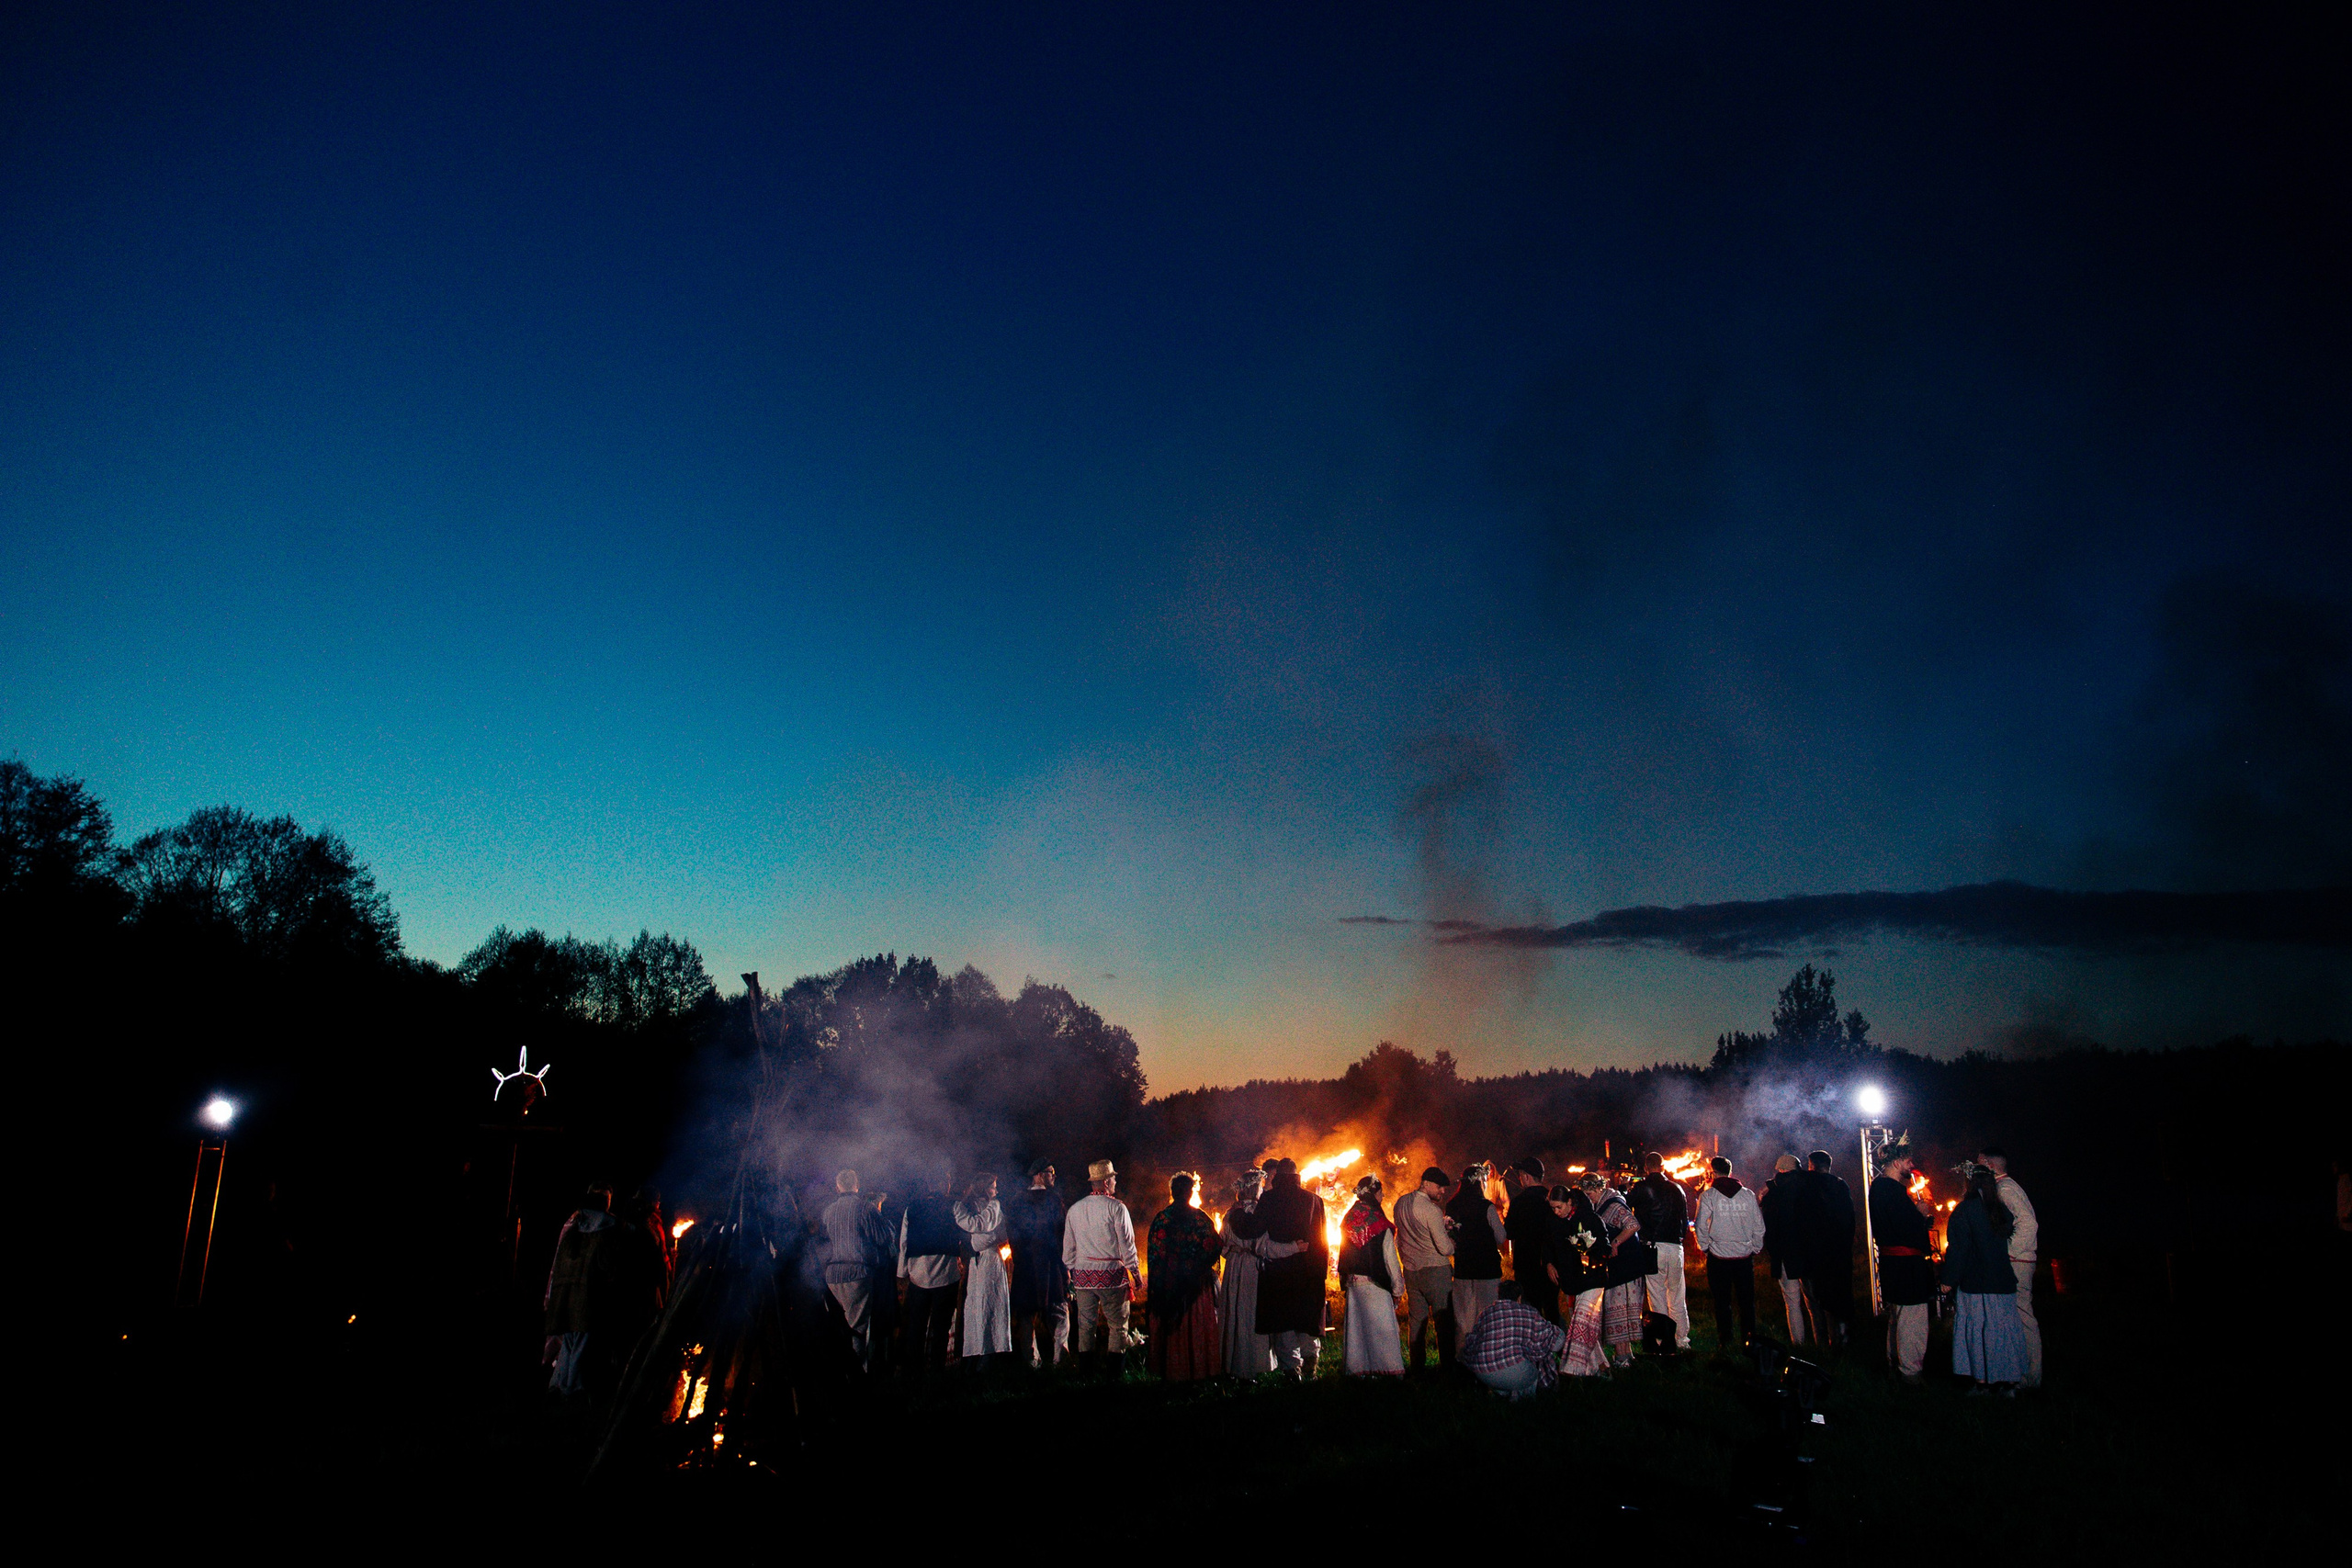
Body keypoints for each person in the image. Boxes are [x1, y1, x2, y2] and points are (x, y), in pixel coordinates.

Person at [1942, 1164, 2027, 1395]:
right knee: (2004, 1331)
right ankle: (2009, 1383)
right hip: (2002, 1283)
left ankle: (1983, 1383)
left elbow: (1958, 1249)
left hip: (1977, 1283)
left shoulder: (1965, 1211)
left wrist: (1948, 1278)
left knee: (1980, 1332)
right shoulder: (2000, 1210)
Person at [1144, 1174, 1226, 1382]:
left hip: (1169, 1286)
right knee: (1195, 1328)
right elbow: (1214, 1246)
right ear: (1190, 1193)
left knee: (1173, 1329)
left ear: (1172, 1193)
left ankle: (1173, 1372)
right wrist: (1197, 1266)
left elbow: (1155, 1253)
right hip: (1196, 1287)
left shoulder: (1162, 1219)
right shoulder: (1200, 1218)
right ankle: (1199, 1371)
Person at [1868, 1137, 1937, 1385]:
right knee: (1912, 1321)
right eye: (1908, 1160)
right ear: (1897, 1162)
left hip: (1894, 1267)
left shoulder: (1881, 1187)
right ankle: (1910, 1373)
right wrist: (1920, 1215)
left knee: (1899, 1318)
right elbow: (1905, 1230)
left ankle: (1895, 1366)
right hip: (1906, 1268)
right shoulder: (1890, 1190)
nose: (1912, 1165)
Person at [1254, 1157, 1329, 1377]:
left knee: (1284, 1320)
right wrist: (1320, 1272)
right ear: (1297, 1176)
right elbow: (1322, 1240)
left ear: (1278, 1177)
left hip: (1280, 1271)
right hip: (1308, 1271)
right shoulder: (1314, 1200)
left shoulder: (1268, 1199)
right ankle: (1310, 1361)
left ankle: (1291, 1369)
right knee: (1306, 1318)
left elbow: (1257, 1229)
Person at [1218, 1168, 1297, 1378]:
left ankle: (1234, 1364)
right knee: (1250, 1314)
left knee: (1236, 1313)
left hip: (1234, 1266)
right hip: (1252, 1268)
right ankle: (1251, 1365)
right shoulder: (1257, 1212)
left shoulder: (1229, 1213)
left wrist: (1235, 1252)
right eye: (1261, 1186)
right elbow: (1264, 1245)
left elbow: (1223, 1245)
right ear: (1255, 1188)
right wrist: (1293, 1248)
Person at [1063, 1160, 1139, 1378]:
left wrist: (1074, 1270)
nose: (1115, 1181)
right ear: (1106, 1182)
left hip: (1084, 1277)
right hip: (1112, 1277)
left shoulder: (1075, 1209)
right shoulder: (1117, 1208)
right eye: (1113, 1177)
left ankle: (1086, 1374)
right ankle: (1115, 1375)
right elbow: (1127, 1245)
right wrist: (1135, 1273)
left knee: (1086, 1325)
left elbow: (1068, 1249)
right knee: (1118, 1325)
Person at [545, 1183, 617, 1395]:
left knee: (570, 1339)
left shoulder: (574, 1223)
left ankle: (558, 1384)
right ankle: (572, 1387)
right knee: (581, 1341)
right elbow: (605, 1264)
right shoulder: (606, 1227)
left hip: (567, 1292)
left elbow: (560, 1260)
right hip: (587, 1293)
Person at [1977, 1145, 2041, 1389]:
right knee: (2016, 1317)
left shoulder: (2006, 1189)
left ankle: (2029, 1377)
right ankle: (2019, 1372)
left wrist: (2009, 1252)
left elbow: (2029, 1224)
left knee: (2022, 1317)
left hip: (2018, 1261)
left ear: (1990, 1165)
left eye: (1979, 1163)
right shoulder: (2004, 1188)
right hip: (2018, 1259)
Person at [819, 1169, 888, 1372]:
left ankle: (838, 1374)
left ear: (837, 1187)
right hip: (857, 1276)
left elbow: (824, 1244)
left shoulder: (828, 1212)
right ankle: (857, 1377)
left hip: (832, 1278)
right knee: (857, 1330)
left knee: (838, 1329)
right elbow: (883, 1238)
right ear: (857, 1186)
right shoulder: (866, 1209)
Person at [1336, 1175, 1407, 1375]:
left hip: (1353, 1283)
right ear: (1373, 1194)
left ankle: (1359, 1369)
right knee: (1383, 1330)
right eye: (1380, 1192)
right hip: (1375, 1283)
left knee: (1357, 1331)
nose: (1383, 1196)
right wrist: (1397, 1287)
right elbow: (1389, 1257)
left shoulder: (1348, 1218)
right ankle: (1388, 1370)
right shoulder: (1378, 1221)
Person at [1695, 1156, 1766, 1351]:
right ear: (1730, 1172)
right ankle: (1749, 1340)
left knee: (1722, 1301)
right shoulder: (1748, 1195)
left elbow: (1700, 1224)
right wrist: (1755, 1247)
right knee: (1746, 1302)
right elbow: (1759, 1225)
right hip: (1744, 1257)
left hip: (1718, 1257)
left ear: (1713, 1172)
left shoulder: (1709, 1196)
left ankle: (1725, 1339)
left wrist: (1705, 1247)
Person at [899, 1171, 965, 1379]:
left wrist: (902, 1273)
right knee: (941, 1327)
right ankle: (937, 1372)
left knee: (916, 1326)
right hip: (946, 1275)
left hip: (919, 1275)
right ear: (943, 1184)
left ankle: (914, 1372)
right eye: (947, 1181)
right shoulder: (954, 1206)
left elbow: (903, 1243)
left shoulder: (912, 1208)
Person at [1006, 1159, 1069, 1371]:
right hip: (1050, 1264)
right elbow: (1061, 1235)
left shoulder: (1016, 1202)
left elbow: (1012, 1235)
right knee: (1059, 1313)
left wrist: (1019, 1258)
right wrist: (1064, 1266)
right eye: (1051, 1172)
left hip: (1026, 1265)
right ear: (1040, 1175)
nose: (1054, 1175)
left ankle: (1032, 1360)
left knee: (1027, 1315)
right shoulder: (1053, 1200)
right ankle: (1061, 1359)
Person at [1392, 1166, 1457, 1371]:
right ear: (1426, 1183)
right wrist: (1454, 1240)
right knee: (1443, 1322)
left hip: (1411, 1272)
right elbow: (1445, 1248)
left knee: (1417, 1322)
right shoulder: (1431, 1210)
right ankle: (1447, 1367)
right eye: (1439, 1187)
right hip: (1435, 1271)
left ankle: (1417, 1368)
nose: (1442, 1191)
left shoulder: (1400, 1203)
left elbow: (1401, 1238)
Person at [1630, 1151, 1693, 1351]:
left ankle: (1661, 1339)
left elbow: (1626, 1208)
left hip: (1651, 1247)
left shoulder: (1640, 1188)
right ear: (1663, 1166)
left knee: (1656, 1295)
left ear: (1646, 1168)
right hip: (1674, 1246)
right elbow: (1684, 1220)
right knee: (1677, 1294)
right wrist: (1680, 1239)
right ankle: (1682, 1339)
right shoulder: (1677, 1188)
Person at [1459, 1281, 1566, 1399]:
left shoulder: (1485, 1313)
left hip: (1482, 1372)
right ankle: (1524, 1397)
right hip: (1514, 1370)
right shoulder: (1528, 1313)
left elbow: (1471, 1343)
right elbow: (1556, 1343)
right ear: (1519, 1297)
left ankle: (1501, 1392)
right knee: (1535, 1359)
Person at [1587, 1171, 1649, 1363]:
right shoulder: (1604, 1203)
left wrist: (1615, 1243)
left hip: (1626, 1266)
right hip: (1621, 1266)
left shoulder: (1613, 1204)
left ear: (1598, 1188)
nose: (1588, 1198)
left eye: (1589, 1194)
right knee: (1618, 1309)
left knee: (1618, 1308)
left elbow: (1632, 1224)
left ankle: (1622, 1357)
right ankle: (1626, 1354)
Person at [1551, 1181, 1612, 1376]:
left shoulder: (1590, 1218)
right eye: (1553, 1208)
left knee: (1582, 1320)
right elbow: (1553, 1245)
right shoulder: (1559, 1222)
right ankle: (1602, 1368)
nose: (1556, 1212)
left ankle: (1573, 1368)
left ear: (1570, 1202)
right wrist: (1550, 1263)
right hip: (1575, 1280)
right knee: (1585, 1322)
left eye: (1559, 1207)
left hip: (1594, 1279)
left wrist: (1589, 1250)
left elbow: (1606, 1247)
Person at [1445, 1162, 1509, 1340]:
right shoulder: (1486, 1207)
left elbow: (1450, 1235)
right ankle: (1486, 1354)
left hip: (1463, 1268)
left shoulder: (1452, 1206)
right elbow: (1501, 1237)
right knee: (1487, 1315)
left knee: (1464, 1317)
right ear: (1479, 1182)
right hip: (1487, 1269)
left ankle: (1463, 1356)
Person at [1800, 1150, 1856, 1346]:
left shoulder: (1806, 1185)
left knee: (1816, 1303)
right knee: (1838, 1300)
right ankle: (1841, 1342)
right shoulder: (1841, 1186)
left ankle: (1822, 1346)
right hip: (1838, 1254)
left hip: (1814, 1255)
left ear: (1811, 1165)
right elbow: (1850, 1220)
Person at [956, 1173, 1012, 1369]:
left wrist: (980, 1240)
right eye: (993, 1187)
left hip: (991, 1260)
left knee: (991, 1305)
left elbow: (996, 1235)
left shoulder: (994, 1207)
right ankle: (975, 1352)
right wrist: (976, 1240)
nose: (996, 1191)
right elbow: (975, 1231)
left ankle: (992, 1352)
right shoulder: (973, 1207)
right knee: (976, 1306)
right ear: (984, 1187)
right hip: (976, 1262)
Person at [1759, 1155, 1811, 1346]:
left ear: (1780, 1170)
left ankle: (1799, 1343)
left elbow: (1767, 1225)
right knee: (1813, 1300)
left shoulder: (1772, 1193)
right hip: (1808, 1251)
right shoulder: (1809, 1188)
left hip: (1784, 1252)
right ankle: (1822, 1342)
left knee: (1792, 1301)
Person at [1505, 1157, 1560, 1325]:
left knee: (1530, 1311)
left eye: (1521, 1175)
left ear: (1527, 1177)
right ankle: (1555, 1345)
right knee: (1552, 1308)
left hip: (1526, 1264)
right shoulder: (1552, 1199)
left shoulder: (1519, 1202)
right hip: (1551, 1263)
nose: (1520, 1179)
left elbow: (1509, 1233)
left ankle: (1533, 1347)